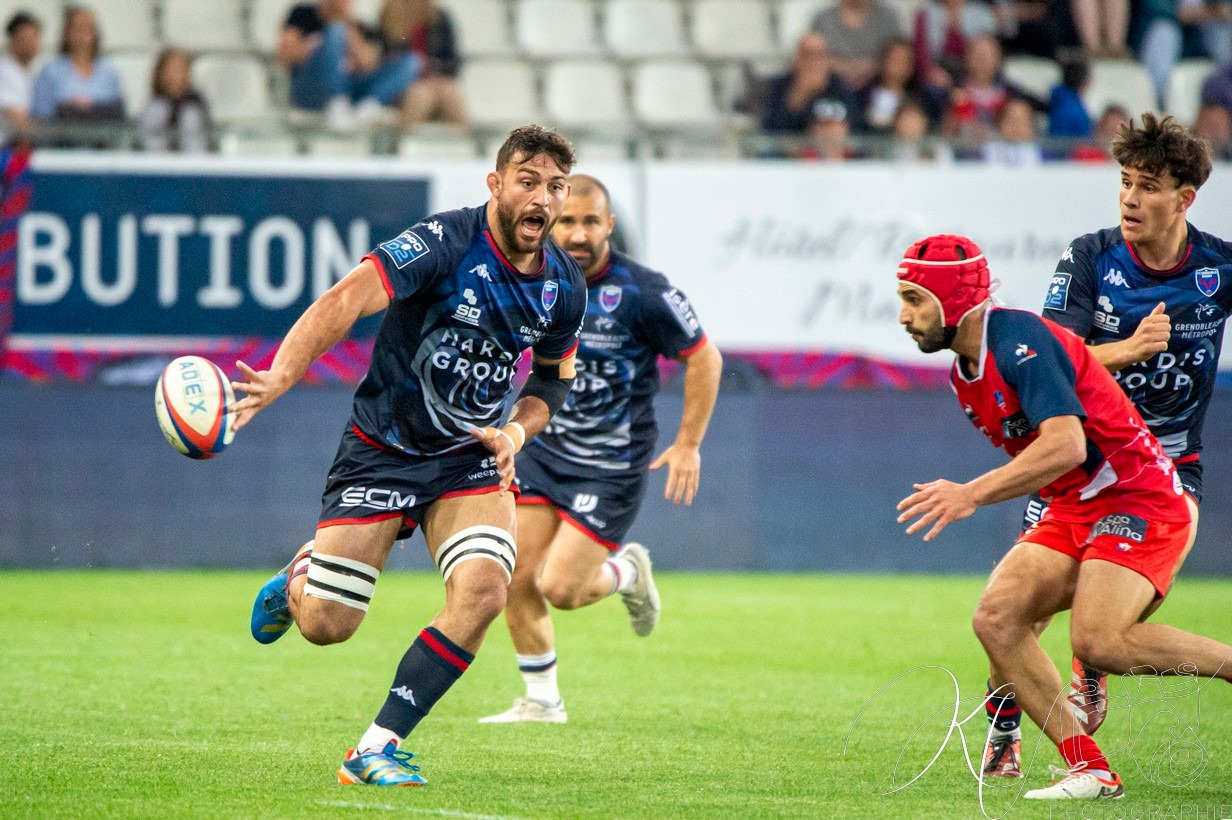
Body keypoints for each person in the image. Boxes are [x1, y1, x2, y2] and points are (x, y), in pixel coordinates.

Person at [242, 125, 587, 786]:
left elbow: (552, 381)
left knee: (486, 591)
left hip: (469, 458)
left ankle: (375, 747)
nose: (541, 198)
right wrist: (283, 374)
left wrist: (514, 434)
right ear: (496, 184)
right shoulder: (444, 242)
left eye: (554, 186)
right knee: (327, 625)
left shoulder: (564, 287)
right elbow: (345, 299)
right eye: (527, 181)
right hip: (384, 449)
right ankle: (301, 577)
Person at [895, 232, 1232, 801]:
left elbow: (1066, 446)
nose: (903, 316)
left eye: (914, 298)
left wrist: (971, 494)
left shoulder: (1019, 338)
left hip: (1139, 495)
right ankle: (1091, 769)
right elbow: (1056, 463)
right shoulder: (964, 373)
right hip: (1079, 503)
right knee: (997, 619)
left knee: (1100, 642)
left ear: (953, 299)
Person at [980, 113, 1232, 780]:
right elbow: (1052, 365)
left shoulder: (1218, 268)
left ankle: (1091, 665)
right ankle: (1006, 723)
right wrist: (1128, 349)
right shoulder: (1090, 258)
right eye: (1124, 182)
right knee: (1011, 612)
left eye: (1148, 186)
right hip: (1079, 468)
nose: (1129, 198)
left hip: (1167, 474)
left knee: (1106, 623)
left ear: (1184, 198)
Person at [478, 175, 722, 723]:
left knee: (561, 588)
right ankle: (542, 702)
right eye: (569, 221)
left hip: (610, 467)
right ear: (551, 220)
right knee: (510, 573)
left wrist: (689, 444)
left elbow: (705, 359)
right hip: (542, 451)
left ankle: (628, 574)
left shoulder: (644, 292)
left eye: (592, 222)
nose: (580, 233)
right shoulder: (530, 277)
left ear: (609, 226)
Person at [277, 0, 420, 131]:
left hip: (350, 90)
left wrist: (346, 27)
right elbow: (285, 56)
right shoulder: (302, 14)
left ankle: (366, 108)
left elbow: (368, 64)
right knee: (335, 30)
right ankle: (337, 103)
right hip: (311, 87)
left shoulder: (358, 26)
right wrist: (324, 39)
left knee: (412, 62)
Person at [377, 0, 466, 130]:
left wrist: (435, 75)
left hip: (437, 81)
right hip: (405, 86)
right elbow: (385, 61)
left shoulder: (440, 19)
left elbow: (452, 60)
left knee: (452, 95)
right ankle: (402, 144)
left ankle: (462, 144)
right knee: (420, 96)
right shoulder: (388, 18)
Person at [29, 5, 124, 125]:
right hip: (62, 139)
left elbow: (119, 115)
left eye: (88, 28)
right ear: (66, 33)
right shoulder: (50, 71)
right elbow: (40, 116)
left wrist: (91, 108)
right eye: (77, 28)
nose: (82, 34)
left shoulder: (109, 73)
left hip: (102, 140)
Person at [759, 32, 860, 138]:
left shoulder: (840, 88)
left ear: (829, 60)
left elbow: (858, 130)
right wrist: (799, 95)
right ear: (796, 59)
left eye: (820, 55)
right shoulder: (776, 88)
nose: (814, 62)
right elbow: (770, 131)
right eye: (807, 55)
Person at [809, 0, 904, 91]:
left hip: (878, 87)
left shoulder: (887, 18)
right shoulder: (823, 19)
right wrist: (842, 68)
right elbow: (812, 54)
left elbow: (899, 55)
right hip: (831, 87)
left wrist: (873, 67)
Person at [137, 48, 212, 153]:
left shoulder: (195, 107)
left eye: (181, 69)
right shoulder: (153, 108)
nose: (177, 74)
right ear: (161, 73)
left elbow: (200, 143)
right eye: (172, 69)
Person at [0, 11, 41, 127]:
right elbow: (16, 117)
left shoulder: (32, 73)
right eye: (26, 38)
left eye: (34, 37)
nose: (31, 43)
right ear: (13, 39)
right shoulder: (4, 71)